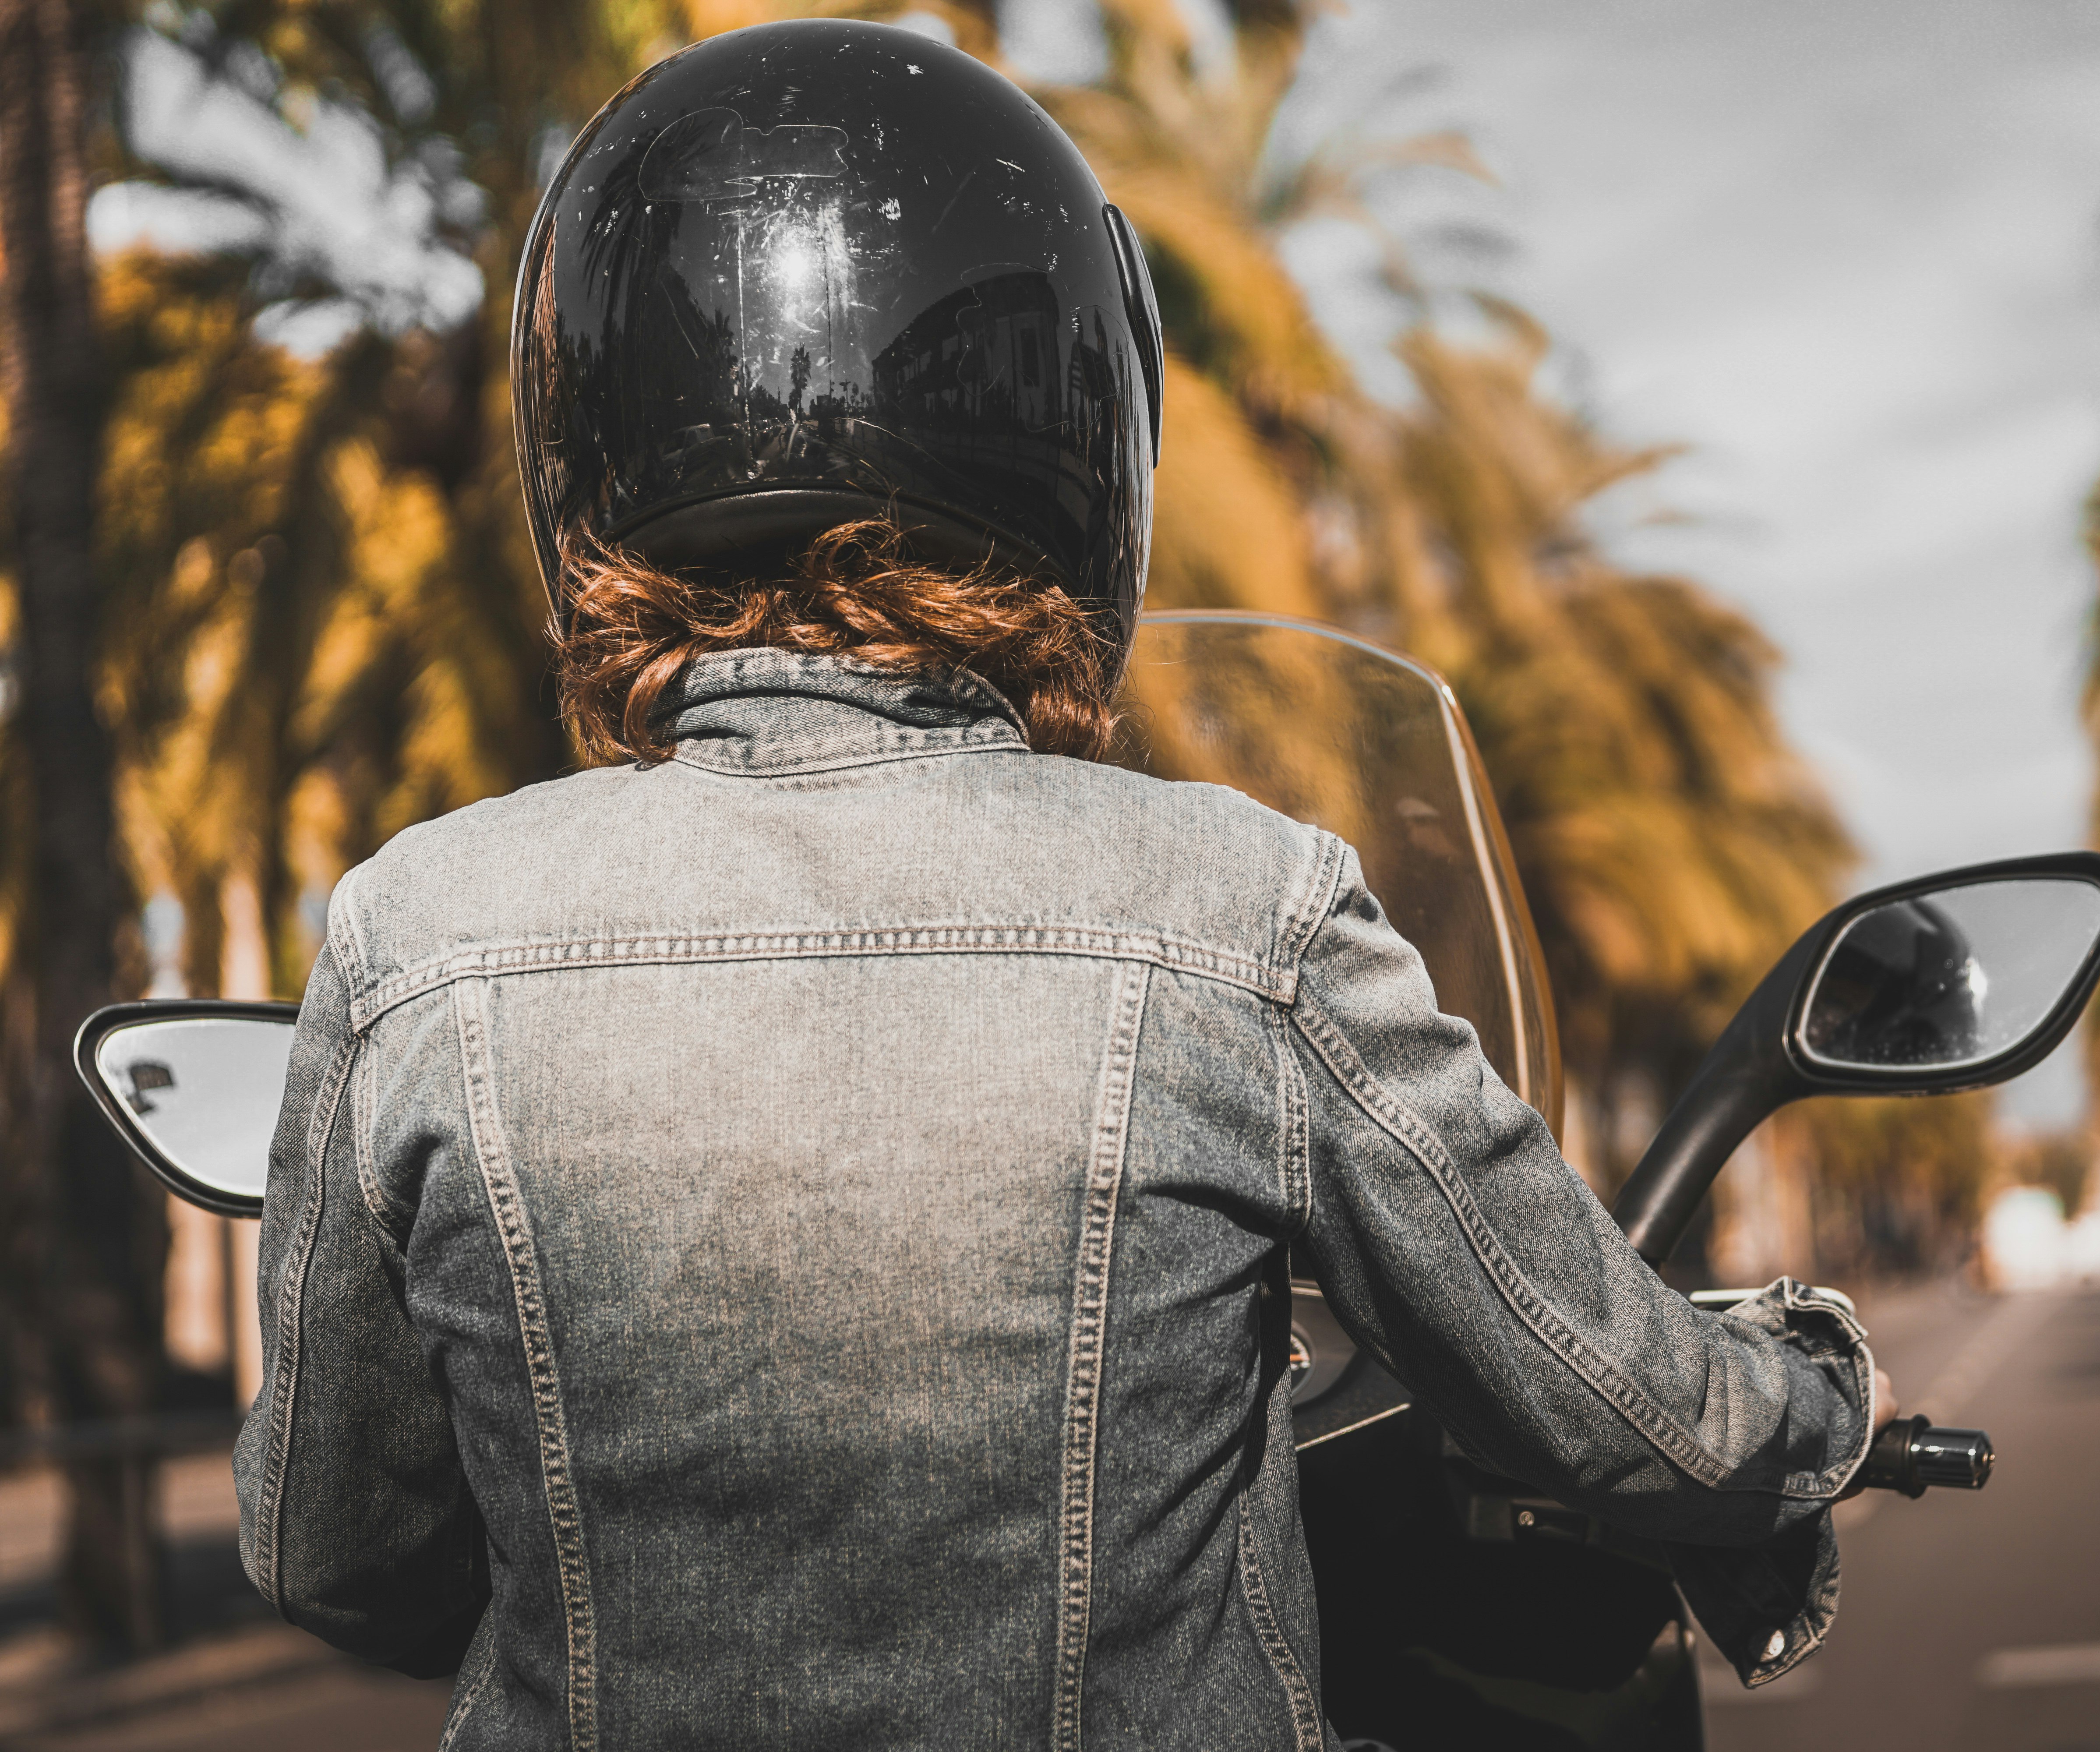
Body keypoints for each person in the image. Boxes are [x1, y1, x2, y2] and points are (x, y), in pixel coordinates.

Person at [235, 20, 1893, 1747]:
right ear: (1078, 423)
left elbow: (335, 1554)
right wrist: (1816, 1400)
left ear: (587, 439)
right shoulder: (1240, 913)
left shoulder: (409, 939)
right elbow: (1595, 1392)